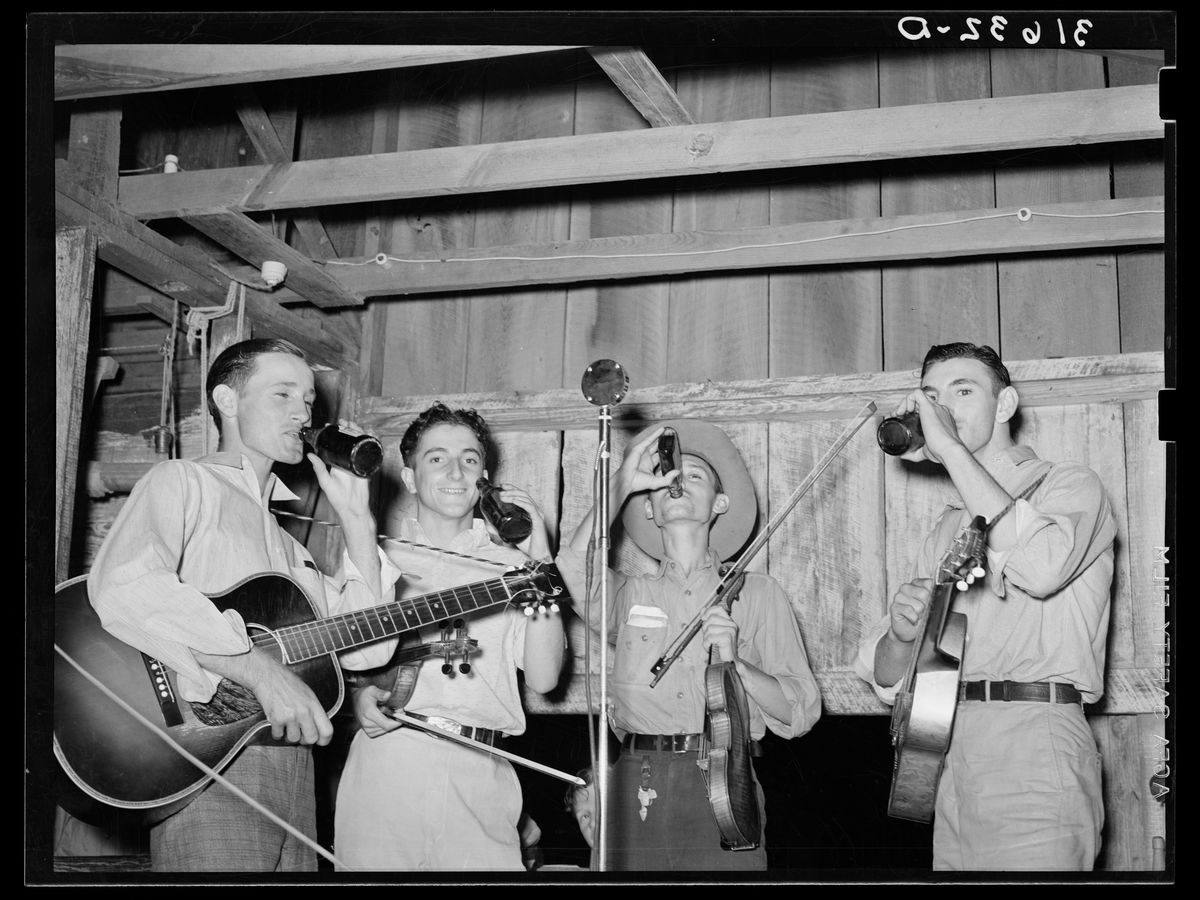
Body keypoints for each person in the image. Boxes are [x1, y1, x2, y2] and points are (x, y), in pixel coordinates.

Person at [87, 338, 399, 872]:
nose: (303, 411)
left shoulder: (288, 545)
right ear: (228, 402)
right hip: (208, 762)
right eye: (282, 394)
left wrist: (359, 523)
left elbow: (365, 650)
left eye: (307, 400)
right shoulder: (183, 482)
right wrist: (256, 669)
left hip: (295, 770)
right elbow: (124, 583)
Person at [854, 342, 1116, 871]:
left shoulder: (1069, 486)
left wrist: (951, 449)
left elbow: (1041, 568)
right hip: (950, 754)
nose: (942, 407)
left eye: (962, 390)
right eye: (930, 395)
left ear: (1005, 405)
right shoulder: (947, 527)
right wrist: (903, 637)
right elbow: (886, 675)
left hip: (1036, 739)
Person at [555, 418, 822, 871]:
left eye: (694, 476)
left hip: (721, 781)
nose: (678, 483)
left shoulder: (758, 592)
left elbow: (800, 713)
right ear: (650, 510)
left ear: (719, 503)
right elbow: (569, 569)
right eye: (665, 481)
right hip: (632, 785)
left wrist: (739, 665)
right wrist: (620, 483)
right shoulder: (627, 594)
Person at [333, 402, 566, 871]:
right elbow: (353, 656)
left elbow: (543, 678)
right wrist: (362, 697)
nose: (456, 471)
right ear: (411, 477)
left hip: (482, 767)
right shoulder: (378, 555)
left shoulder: (511, 564)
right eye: (437, 458)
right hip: (390, 762)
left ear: (485, 476)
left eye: (470, 459)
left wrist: (540, 567)